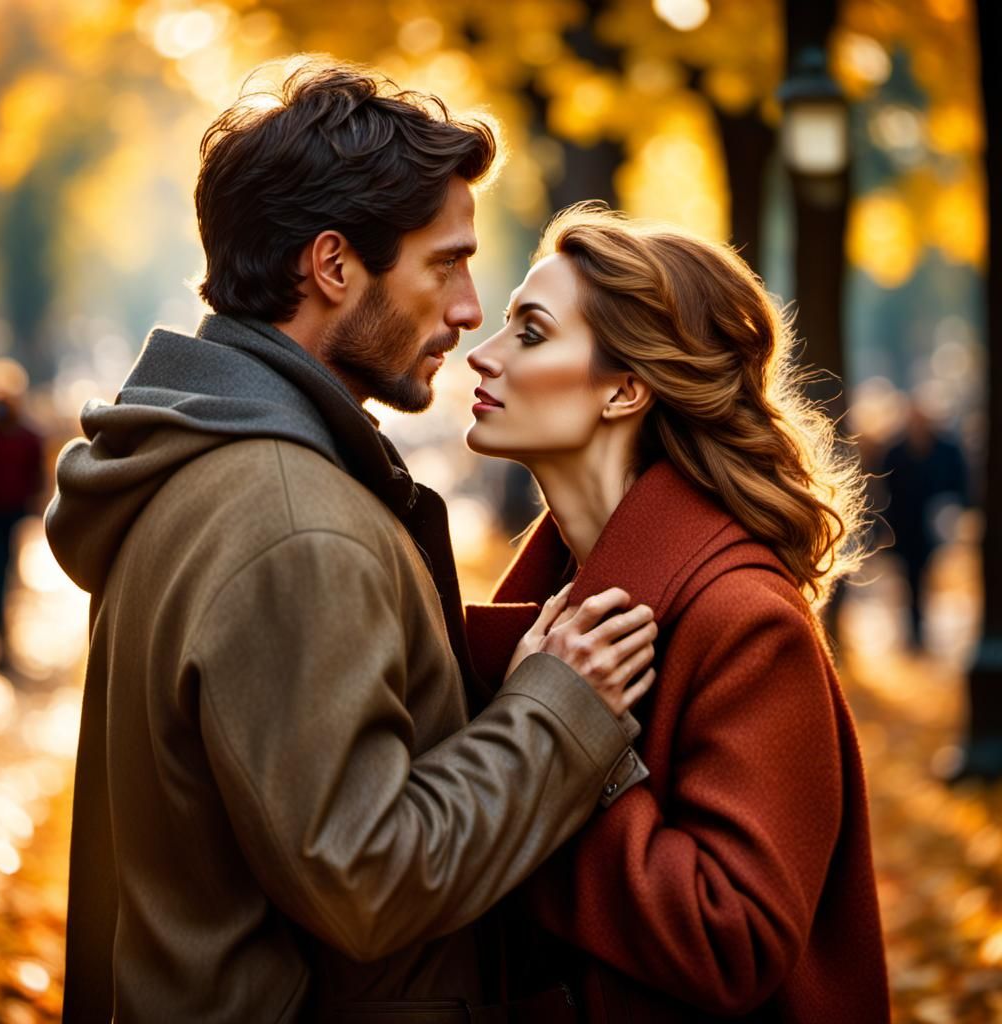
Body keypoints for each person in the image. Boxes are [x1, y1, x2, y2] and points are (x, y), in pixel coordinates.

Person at [45, 63, 659, 1023]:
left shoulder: (205, 468)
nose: (467, 308)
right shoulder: (293, 522)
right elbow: (367, 878)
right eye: (445, 263)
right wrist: (557, 714)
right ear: (333, 266)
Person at [464, 204, 890, 1023]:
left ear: (625, 388)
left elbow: (737, 938)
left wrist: (566, 747)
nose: (482, 355)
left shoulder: (744, 619)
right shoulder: (554, 601)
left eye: (529, 332)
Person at [879, 395, 970, 650]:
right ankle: (915, 631)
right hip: (906, 527)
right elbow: (885, 491)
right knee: (910, 578)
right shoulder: (895, 451)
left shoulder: (946, 449)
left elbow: (959, 483)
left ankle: (921, 628)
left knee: (927, 577)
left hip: (933, 526)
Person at [0, 357, 44, 666]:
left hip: (13, 514)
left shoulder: (28, 437)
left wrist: (35, 505)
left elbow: (38, 476)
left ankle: (4, 631)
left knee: (9, 572)